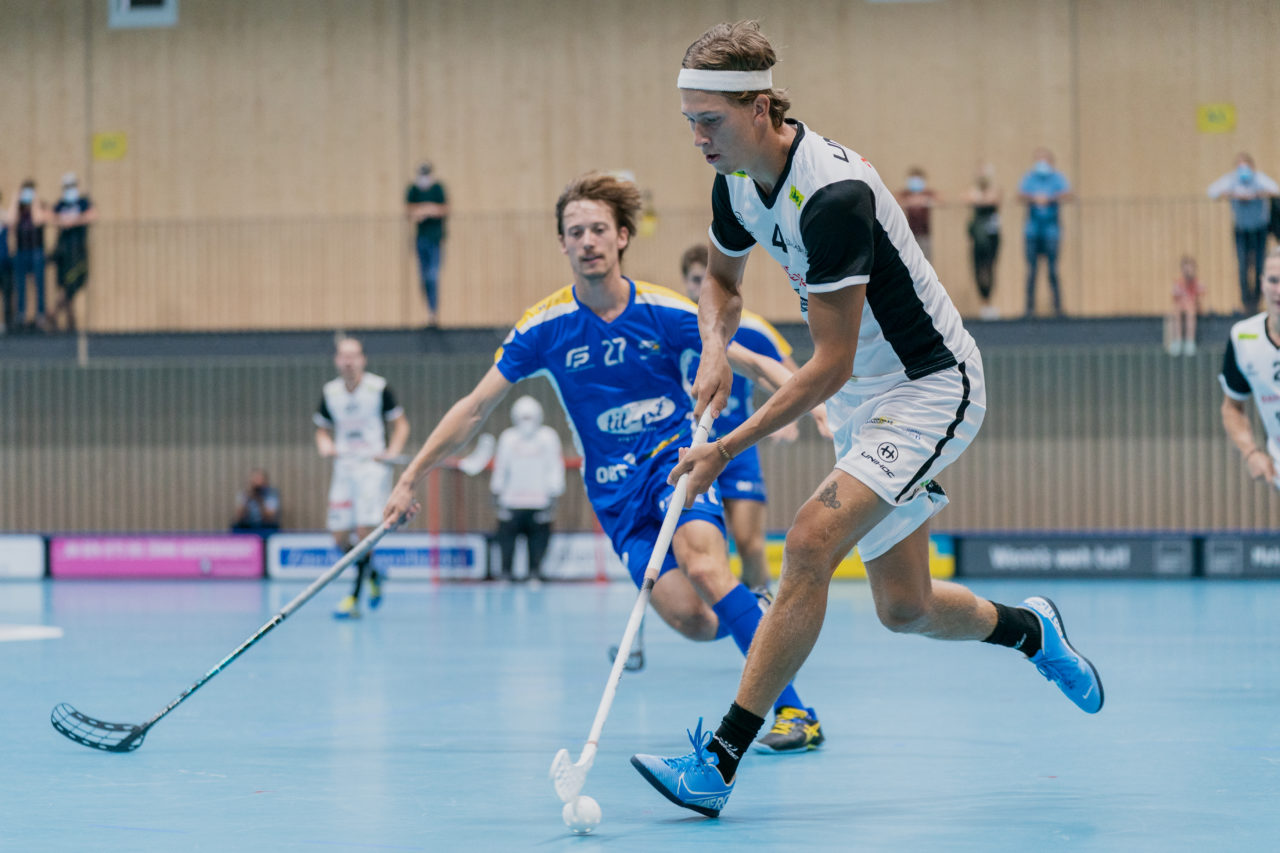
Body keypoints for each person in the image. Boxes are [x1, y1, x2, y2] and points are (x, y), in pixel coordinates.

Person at [631, 20, 1104, 818]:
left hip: (928, 387)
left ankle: (718, 760)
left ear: (757, 107)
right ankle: (1033, 630)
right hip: (864, 401)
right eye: (690, 124)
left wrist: (724, 446)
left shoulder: (834, 197)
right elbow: (720, 279)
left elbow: (829, 362)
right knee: (904, 607)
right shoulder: (735, 181)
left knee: (810, 541)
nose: (698, 140)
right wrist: (714, 343)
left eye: (708, 122)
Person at [382, 172, 827, 753]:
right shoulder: (545, 326)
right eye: (575, 232)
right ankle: (755, 615)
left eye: (598, 229)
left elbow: (752, 361)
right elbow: (473, 409)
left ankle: (796, 711)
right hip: (615, 494)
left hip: (675, 464)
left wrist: (813, 404)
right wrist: (411, 475)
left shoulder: (665, 310)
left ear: (621, 237)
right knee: (696, 620)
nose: (587, 240)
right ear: (562, 244)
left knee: (704, 565)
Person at [679, 243, 829, 593]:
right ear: (686, 283)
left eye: (707, 280)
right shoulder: (678, 324)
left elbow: (788, 375)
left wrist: (796, 416)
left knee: (750, 545)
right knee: (691, 549)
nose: (701, 287)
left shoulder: (754, 330)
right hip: (686, 448)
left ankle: (762, 606)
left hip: (738, 450)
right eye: (695, 280)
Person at [314, 336, 411, 619]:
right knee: (339, 536)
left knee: (363, 532)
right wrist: (325, 444)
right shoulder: (330, 392)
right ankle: (374, 574)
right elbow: (321, 428)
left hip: (372, 468)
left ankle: (354, 599)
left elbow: (401, 425)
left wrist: (391, 451)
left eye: (353, 356)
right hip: (343, 468)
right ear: (336, 360)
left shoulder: (379, 389)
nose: (348, 361)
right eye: (343, 356)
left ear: (363, 359)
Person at [1220, 248, 1280, 488]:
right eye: (1274, 280)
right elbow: (1232, 407)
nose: (1279, 290)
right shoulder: (1243, 338)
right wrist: (1251, 452)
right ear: (1262, 282)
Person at [489, 395, 565, 581]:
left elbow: (555, 467)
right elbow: (501, 469)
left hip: (539, 503)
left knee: (538, 544)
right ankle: (506, 574)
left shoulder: (548, 437)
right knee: (506, 544)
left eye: (530, 417)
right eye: (523, 417)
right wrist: (497, 494)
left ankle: (535, 573)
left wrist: (553, 495)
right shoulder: (508, 438)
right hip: (511, 502)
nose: (527, 422)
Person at [1207, 153, 1278, 314]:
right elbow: (1211, 191)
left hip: (1259, 230)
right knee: (1243, 267)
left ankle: (1257, 301)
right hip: (1241, 231)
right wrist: (1232, 194)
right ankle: (1247, 303)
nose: (1243, 171)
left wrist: (1257, 194)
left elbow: (1275, 189)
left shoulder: (1258, 179)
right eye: (1240, 167)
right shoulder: (1232, 180)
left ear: (1252, 168)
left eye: (1246, 166)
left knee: (1260, 266)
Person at [1018, 148, 1072, 317]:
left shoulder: (1057, 178)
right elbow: (1020, 194)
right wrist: (1035, 198)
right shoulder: (1030, 177)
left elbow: (1068, 193)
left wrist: (1050, 198)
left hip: (1051, 232)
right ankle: (1029, 310)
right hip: (1032, 232)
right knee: (1032, 271)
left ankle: (1057, 308)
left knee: (1052, 270)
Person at [48, 173, 96, 332]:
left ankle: (54, 314)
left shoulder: (83, 202)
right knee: (66, 289)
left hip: (78, 253)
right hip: (64, 253)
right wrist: (61, 220)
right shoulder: (60, 204)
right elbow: (49, 216)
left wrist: (72, 221)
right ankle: (69, 323)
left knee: (74, 285)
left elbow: (92, 215)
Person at [405, 162, 449, 326]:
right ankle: (429, 311)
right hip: (421, 239)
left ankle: (433, 313)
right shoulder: (413, 189)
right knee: (424, 278)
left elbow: (444, 209)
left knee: (432, 276)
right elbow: (409, 210)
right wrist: (426, 210)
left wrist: (427, 210)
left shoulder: (437, 188)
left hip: (436, 239)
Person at [8, 179, 51, 331]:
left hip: (36, 250)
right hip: (21, 250)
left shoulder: (40, 206)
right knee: (20, 284)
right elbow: (10, 222)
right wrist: (15, 199)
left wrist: (35, 201)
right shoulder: (18, 210)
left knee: (39, 284)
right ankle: (21, 314)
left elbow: (38, 219)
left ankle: (40, 315)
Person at [966, 162, 1002, 319]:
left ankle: (989, 302)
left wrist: (980, 198)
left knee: (989, 268)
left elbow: (993, 199)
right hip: (978, 239)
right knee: (977, 269)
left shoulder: (994, 190)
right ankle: (983, 302)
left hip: (992, 238)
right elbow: (967, 197)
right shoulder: (973, 190)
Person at [897, 167, 937, 262]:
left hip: (924, 234)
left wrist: (925, 200)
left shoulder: (927, 193)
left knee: (926, 259)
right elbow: (894, 199)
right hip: (909, 234)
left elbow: (940, 199)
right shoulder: (905, 194)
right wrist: (908, 201)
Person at [1167, 255, 1204, 357]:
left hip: (1193, 309)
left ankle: (1189, 341)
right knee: (1176, 310)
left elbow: (1200, 301)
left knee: (1190, 310)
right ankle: (1177, 340)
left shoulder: (1197, 283)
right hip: (1182, 309)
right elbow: (1175, 300)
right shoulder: (1179, 283)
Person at [231, 468, 282, 535]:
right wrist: (247, 500)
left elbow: (270, 517)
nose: (257, 483)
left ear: (265, 482)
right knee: (236, 526)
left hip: (265, 525)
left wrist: (260, 500)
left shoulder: (271, 494)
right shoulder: (245, 494)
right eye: (255, 480)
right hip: (248, 525)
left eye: (260, 480)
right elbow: (239, 517)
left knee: (272, 527)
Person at [0, 188, 11, 333]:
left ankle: (5, 323)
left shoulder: (4, 216)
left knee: (6, 293)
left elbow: (11, 221)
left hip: (3, 261)